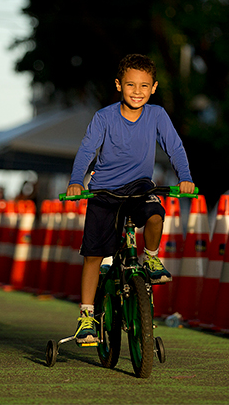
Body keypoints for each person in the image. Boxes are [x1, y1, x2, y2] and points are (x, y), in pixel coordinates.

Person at [65, 54, 195, 343]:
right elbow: (87, 152)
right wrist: (76, 181)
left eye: (144, 86)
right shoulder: (104, 117)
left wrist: (184, 177)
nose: (137, 91)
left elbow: (174, 147)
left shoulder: (157, 115)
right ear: (118, 85)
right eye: (131, 85)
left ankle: (150, 258)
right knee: (94, 256)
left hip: (140, 188)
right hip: (103, 192)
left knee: (156, 215)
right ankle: (86, 316)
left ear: (154, 87)